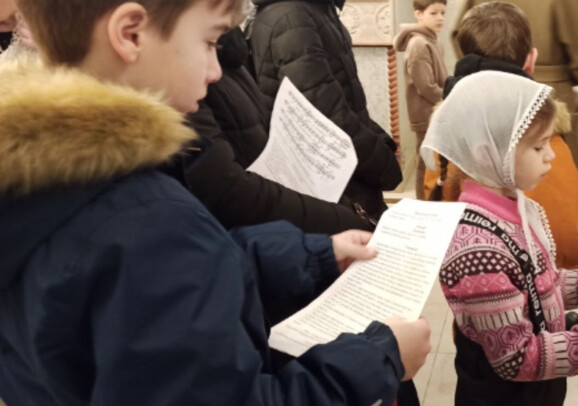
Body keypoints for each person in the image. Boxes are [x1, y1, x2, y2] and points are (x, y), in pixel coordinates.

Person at [0, 1, 432, 405]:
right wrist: (381, 357)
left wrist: (311, 254)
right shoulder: (148, 219)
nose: (214, 71)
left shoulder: (47, 172)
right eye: (208, 42)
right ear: (131, 34)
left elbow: (169, 276)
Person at [421, 71, 578, 406]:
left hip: (537, 389)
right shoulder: (477, 252)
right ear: (489, 153)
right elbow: (516, 358)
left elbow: (538, 286)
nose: (551, 155)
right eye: (539, 146)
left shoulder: (513, 208)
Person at [436, 2, 578, 269]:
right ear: (531, 60)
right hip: (537, 279)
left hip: (466, 270)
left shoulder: (444, 136)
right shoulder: (545, 143)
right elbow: (571, 242)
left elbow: (435, 216)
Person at [185, 27, 375, 235]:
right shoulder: (290, 22)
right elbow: (226, 190)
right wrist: (345, 219)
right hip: (265, 222)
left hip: (286, 212)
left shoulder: (231, 53)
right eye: (207, 45)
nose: (214, 72)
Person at [248, 0, 402, 219]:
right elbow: (323, 115)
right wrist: (383, 164)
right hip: (332, 185)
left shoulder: (312, 10)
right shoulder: (292, 18)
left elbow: (345, 100)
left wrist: (381, 141)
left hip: (347, 178)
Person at [452, 0, 578, 175]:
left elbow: (460, 35)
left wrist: (483, 68)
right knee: (555, 183)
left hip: (485, 95)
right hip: (548, 98)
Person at [393, 0, 447, 200]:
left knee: (434, 163)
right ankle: (422, 205)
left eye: (443, 13)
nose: (440, 18)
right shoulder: (418, 44)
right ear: (419, 14)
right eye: (434, 13)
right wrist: (450, 98)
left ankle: (431, 202)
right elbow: (426, 87)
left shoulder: (434, 41)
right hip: (426, 113)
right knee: (426, 165)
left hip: (436, 111)